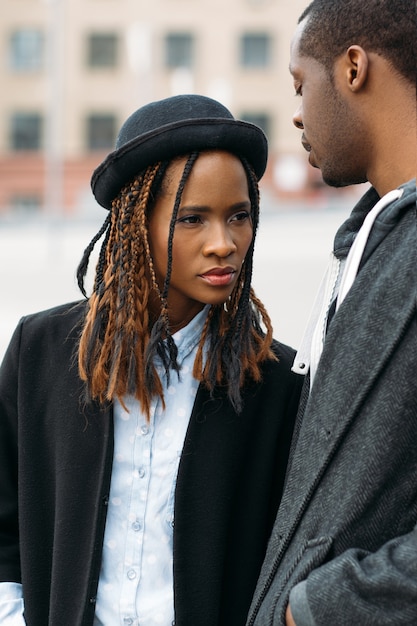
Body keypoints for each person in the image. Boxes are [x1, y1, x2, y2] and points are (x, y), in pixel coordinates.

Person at [0, 94, 303, 626]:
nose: (223, 243)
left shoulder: (276, 382)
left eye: (239, 216)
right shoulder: (40, 351)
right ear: (135, 223)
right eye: (192, 219)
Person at [246, 1, 417, 625]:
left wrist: (319, 608)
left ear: (352, 69)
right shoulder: (369, 237)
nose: (296, 111)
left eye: (300, 84)